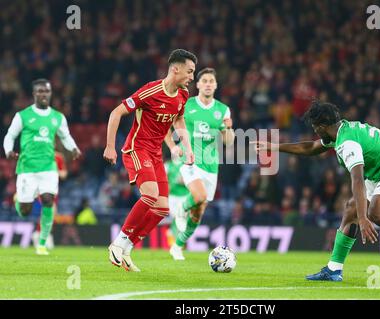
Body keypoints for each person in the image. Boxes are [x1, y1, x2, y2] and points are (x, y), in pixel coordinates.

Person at [252, 100, 380, 281]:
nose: (315, 131)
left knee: (374, 211)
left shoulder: (347, 143)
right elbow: (311, 147)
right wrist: (275, 147)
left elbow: (357, 180)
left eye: (314, 127)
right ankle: (334, 269)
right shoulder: (341, 130)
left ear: (321, 126)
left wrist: (363, 219)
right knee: (351, 209)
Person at [103, 49, 197, 271]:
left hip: (155, 154)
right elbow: (116, 113)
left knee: (163, 208)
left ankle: (127, 247)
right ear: (176, 69)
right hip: (137, 149)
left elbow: (179, 121)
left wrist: (188, 148)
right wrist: (110, 146)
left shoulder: (183, 96)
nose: (192, 77)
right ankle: (118, 242)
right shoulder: (150, 91)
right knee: (151, 195)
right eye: (190, 71)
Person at [3, 79, 81, 255]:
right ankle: (18, 200)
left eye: (46, 91)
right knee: (25, 210)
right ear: (34, 94)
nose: (43, 94)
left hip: (48, 167)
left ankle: (42, 243)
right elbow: (10, 136)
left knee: (48, 200)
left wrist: (74, 148)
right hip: (27, 168)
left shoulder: (57, 117)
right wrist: (8, 150)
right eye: (39, 91)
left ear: (50, 93)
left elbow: (66, 136)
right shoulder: (22, 116)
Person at [164, 67, 235, 260]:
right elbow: (165, 128)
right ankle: (179, 210)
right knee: (199, 195)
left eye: (211, 81)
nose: (208, 84)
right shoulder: (186, 104)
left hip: (211, 166)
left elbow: (229, 142)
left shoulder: (223, 110)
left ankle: (178, 246)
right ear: (198, 84)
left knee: (199, 211)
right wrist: (173, 147)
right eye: (204, 81)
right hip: (189, 160)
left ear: (216, 85)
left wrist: (228, 129)